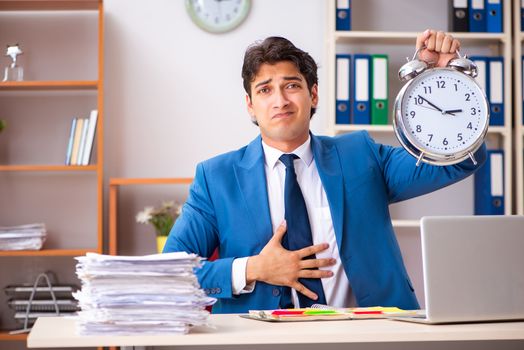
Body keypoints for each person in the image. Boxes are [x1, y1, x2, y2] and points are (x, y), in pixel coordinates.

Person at [164, 29, 486, 313]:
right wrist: (252, 269)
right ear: (250, 105)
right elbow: (171, 274)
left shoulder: (361, 156)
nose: (280, 100)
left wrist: (448, 82)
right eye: (264, 90)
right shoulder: (216, 178)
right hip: (261, 339)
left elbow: (456, 162)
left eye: (291, 85)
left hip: (370, 335)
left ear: (312, 94)